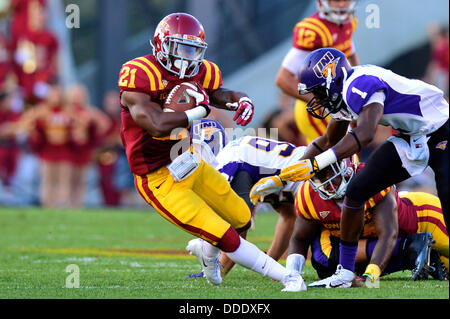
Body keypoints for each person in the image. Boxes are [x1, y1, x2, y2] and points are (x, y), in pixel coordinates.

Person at [118, 12, 305, 292]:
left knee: (242, 217)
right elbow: (155, 125)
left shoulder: (201, 71)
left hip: (188, 160)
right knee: (226, 236)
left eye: (193, 49)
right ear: (161, 44)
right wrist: (198, 112)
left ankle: (206, 251)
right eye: (181, 47)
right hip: (157, 178)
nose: (187, 56)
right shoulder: (140, 74)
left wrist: (240, 99)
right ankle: (287, 278)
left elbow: (217, 92)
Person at [250, 47, 449, 288]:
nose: (316, 100)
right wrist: (282, 177)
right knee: (356, 191)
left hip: (441, 126)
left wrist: (316, 164)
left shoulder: (360, 84)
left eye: (318, 93)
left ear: (332, 80)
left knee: (446, 192)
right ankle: (345, 272)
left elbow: (364, 134)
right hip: (411, 136)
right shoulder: (345, 93)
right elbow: (325, 141)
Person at [285, 156, 448, 286]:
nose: (327, 180)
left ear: (347, 166)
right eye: (319, 175)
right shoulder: (309, 196)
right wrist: (292, 276)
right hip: (371, 239)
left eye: (330, 171)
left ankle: (415, 248)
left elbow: (388, 234)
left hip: (423, 219)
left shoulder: (371, 179)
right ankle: (413, 252)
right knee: (325, 263)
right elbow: (300, 238)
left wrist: (370, 278)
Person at [186, 119, 306, 279]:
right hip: (308, 171)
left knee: (326, 260)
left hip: (316, 179)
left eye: (192, 148)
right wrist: (271, 263)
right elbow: (288, 216)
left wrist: (218, 271)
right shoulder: (240, 152)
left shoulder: (227, 161)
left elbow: (240, 223)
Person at [275, 0, 360, 145]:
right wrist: (324, 103)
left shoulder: (347, 23)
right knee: (335, 156)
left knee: (348, 154)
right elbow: (282, 79)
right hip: (316, 109)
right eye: (336, 0)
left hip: (338, 103)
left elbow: (350, 53)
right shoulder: (314, 31)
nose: (341, 5)